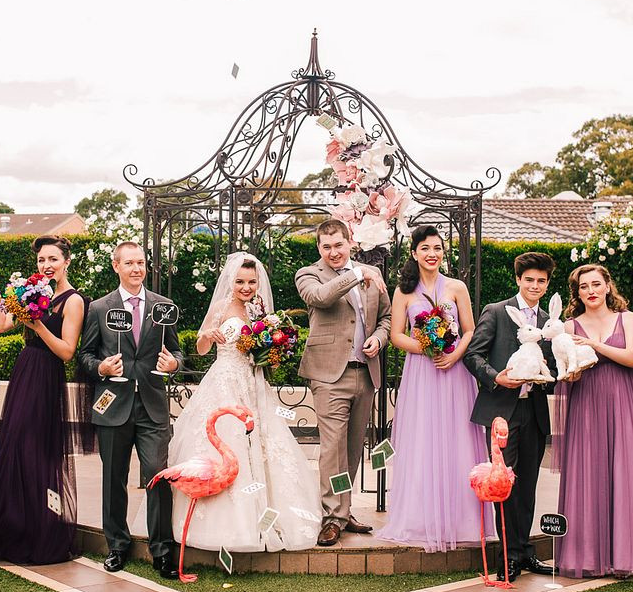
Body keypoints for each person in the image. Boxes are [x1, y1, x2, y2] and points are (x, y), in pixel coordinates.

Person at [0, 236, 94, 564]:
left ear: (66, 262)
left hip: (47, 374)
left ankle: (38, 531)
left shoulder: (73, 301)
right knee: (14, 446)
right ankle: (8, 530)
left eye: (53, 259)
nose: (47, 265)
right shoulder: (30, 292)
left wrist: (37, 325)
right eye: (42, 260)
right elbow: (2, 326)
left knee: (37, 451)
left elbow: (67, 351)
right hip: (24, 372)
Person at [169, 252, 319, 551]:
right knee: (227, 443)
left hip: (253, 382)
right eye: (240, 281)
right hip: (224, 382)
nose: (246, 287)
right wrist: (208, 335)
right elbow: (199, 348)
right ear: (231, 282)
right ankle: (224, 526)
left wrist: (274, 353)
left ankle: (264, 519)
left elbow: (266, 354)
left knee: (261, 446)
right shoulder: (222, 307)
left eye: (251, 281)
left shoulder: (260, 311)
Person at [378, 225, 493, 551]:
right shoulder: (404, 291)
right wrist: (425, 348)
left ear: (444, 252)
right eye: (425, 248)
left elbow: (469, 330)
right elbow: (396, 335)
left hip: (455, 373)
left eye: (437, 248)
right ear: (414, 253)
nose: (432, 254)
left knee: (456, 436)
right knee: (423, 438)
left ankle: (463, 518)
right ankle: (419, 516)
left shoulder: (456, 287)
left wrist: (454, 353)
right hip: (422, 372)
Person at [78, 242, 184, 579]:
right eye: (129, 263)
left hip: (152, 406)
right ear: (116, 266)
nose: (136, 269)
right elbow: (84, 356)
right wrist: (101, 369)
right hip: (113, 406)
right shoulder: (98, 308)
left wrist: (174, 364)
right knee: (114, 479)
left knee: (158, 477)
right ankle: (117, 546)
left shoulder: (163, 306)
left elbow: (178, 354)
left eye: (141, 262)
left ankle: (162, 550)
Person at [551, 264, 633, 578]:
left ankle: (624, 557)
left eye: (596, 284)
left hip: (623, 404)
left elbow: (631, 357)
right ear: (577, 293)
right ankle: (586, 556)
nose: (591, 291)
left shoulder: (628, 319)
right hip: (586, 404)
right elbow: (568, 372)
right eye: (584, 287)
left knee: (623, 473)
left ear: (608, 287)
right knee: (587, 473)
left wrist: (595, 346)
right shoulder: (569, 327)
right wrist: (572, 372)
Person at [295, 219, 392, 547]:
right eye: (326, 247)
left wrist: (379, 339)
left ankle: (343, 508)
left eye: (339, 245)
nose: (333, 252)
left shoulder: (372, 274)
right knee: (333, 447)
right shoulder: (309, 274)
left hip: (365, 372)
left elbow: (387, 318)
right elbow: (321, 298)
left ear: (350, 242)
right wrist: (355, 275)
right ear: (319, 248)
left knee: (353, 447)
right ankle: (332, 516)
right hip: (328, 374)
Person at [464, 252, 557, 582]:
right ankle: (508, 556)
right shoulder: (497, 311)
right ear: (518, 280)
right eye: (529, 279)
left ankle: (523, 548)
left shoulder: (549, 321)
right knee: (503, 485)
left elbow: (554, 366)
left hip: (534, 412)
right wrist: (495, 377)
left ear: (547, 285)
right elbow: (473, 355)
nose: (534, 285)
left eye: (541, 281)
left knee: (528, 485)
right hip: (501, 411)